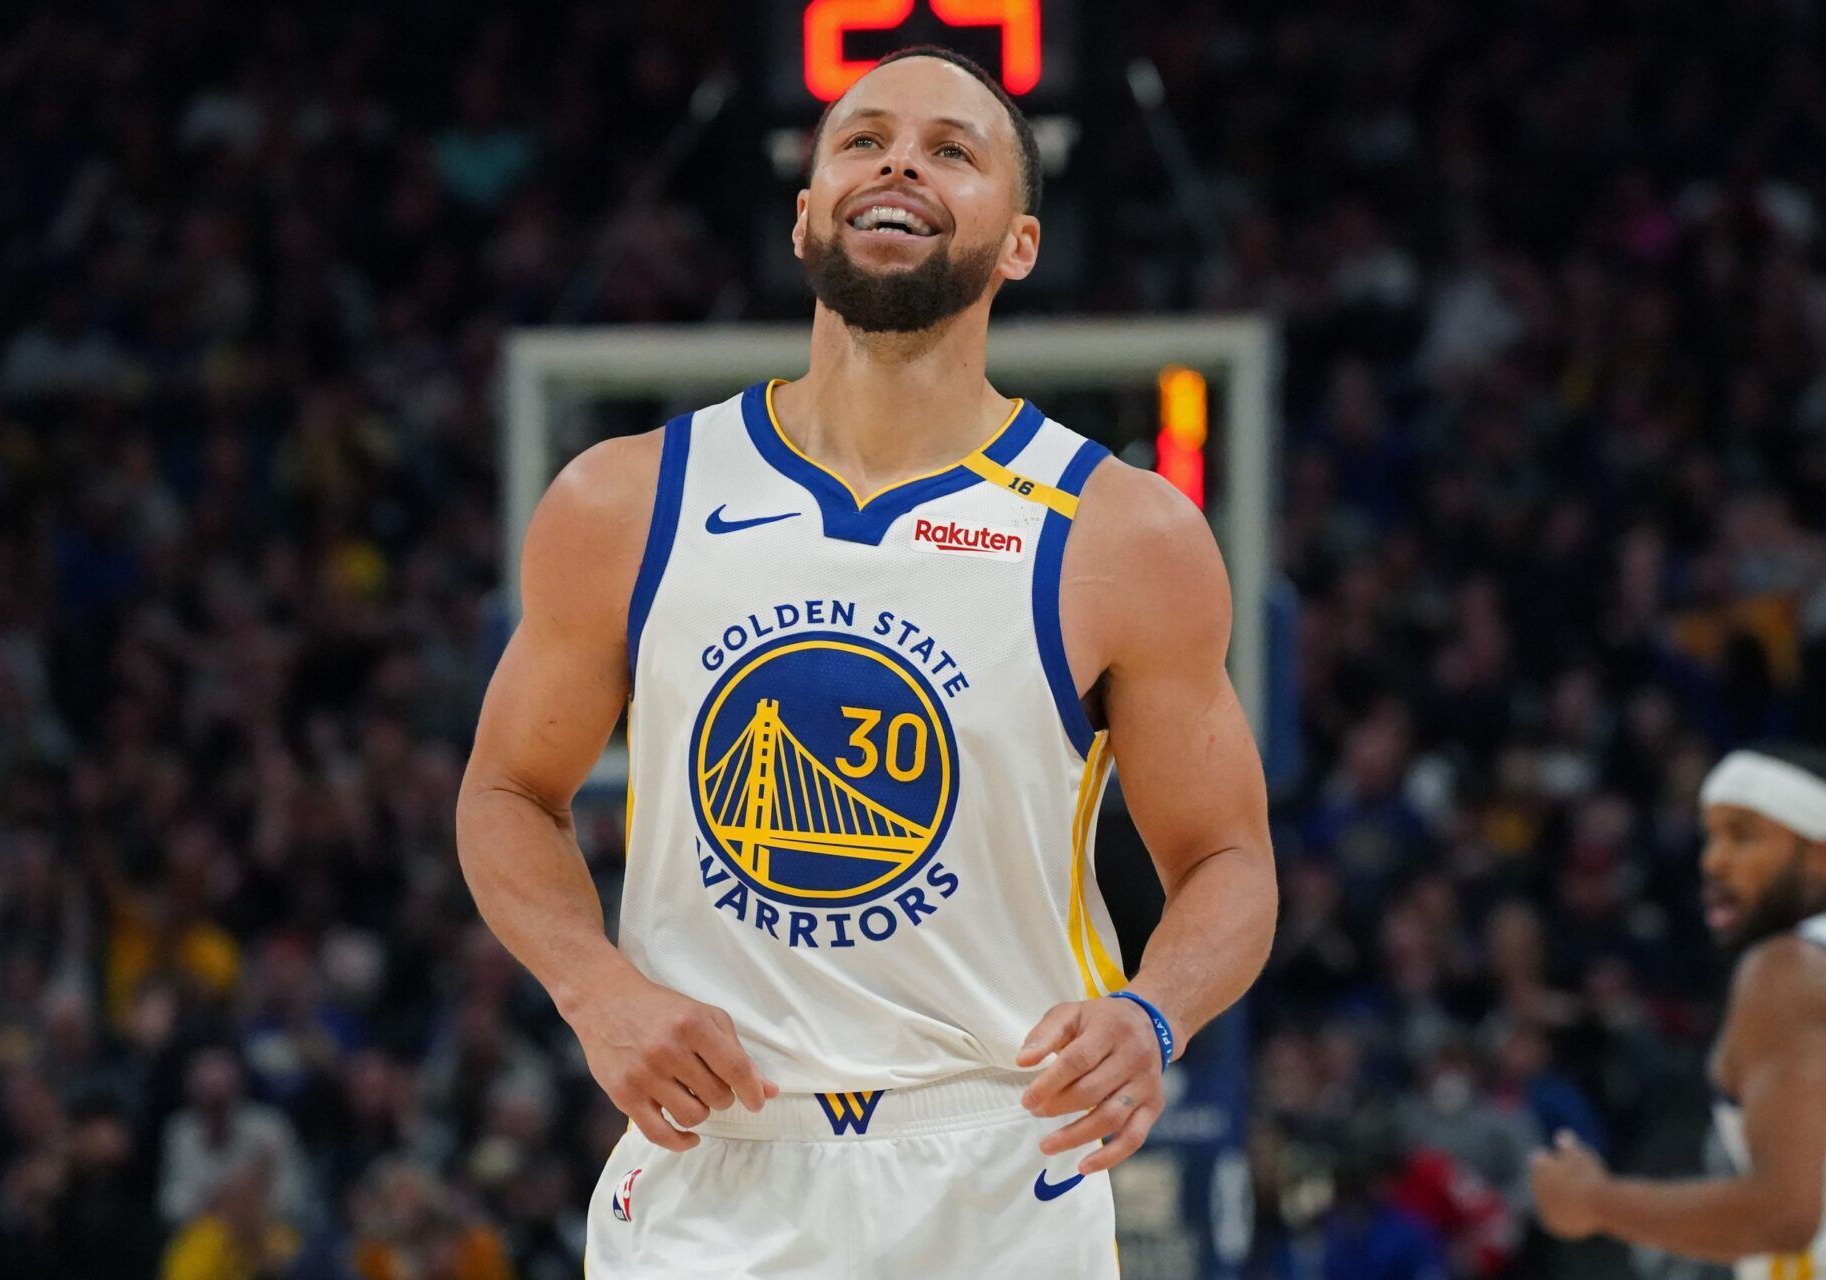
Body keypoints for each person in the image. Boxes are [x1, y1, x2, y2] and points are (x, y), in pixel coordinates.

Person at [457, 45, 1276, 1278]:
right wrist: (596, 990)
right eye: (865, 138)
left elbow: (1226, 858)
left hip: (999, 1162)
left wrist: (1153, 1013)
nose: (901, 160)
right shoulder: (626, 499)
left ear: (1020, 244)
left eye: (955, 150)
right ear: (804, 213)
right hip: (714, 1161)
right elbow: (506, 793)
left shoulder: (1123, 532)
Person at [1531, 743, 1826, 1275]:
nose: (1713, 860)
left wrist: (1598, 1203)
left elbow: (1784, 1215)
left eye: (1744, 836)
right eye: (1710, 836)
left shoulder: (1788, 969)